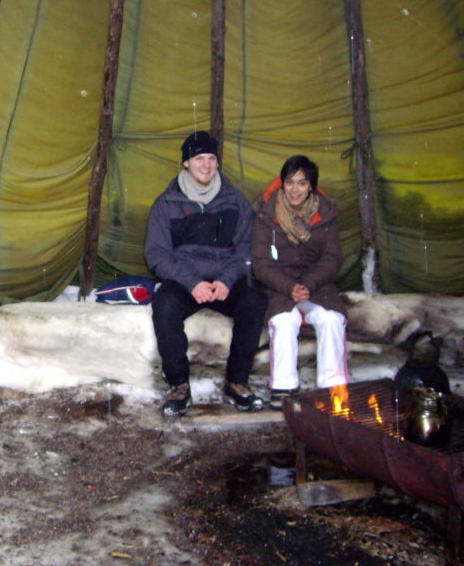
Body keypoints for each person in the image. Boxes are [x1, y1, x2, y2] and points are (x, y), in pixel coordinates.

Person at [145, 131, 268, 418]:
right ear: (186, 163)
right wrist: (192, 283)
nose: (207, 165)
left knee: (254, 301)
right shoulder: (167, 203)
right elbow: (157, 254)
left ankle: (237, 382)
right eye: (199, 158)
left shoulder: (234, 200)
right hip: (187, 282)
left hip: (225, 281)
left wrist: (227, 279)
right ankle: (178, 385)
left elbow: (246, 248)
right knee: (164, 306)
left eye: (212, 158)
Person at [250, 155, 349, 410]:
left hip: (316, 286)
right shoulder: (266, 214)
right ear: (282, 183)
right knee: (285, 321)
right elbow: (260, 263)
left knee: (331, 319)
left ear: (311, 186)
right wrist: (289, 287)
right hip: (279, 286)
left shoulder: (325, 215)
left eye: (302, 183)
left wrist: (308, 284)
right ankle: (283, 386)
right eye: (290, 182)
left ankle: (333, 387)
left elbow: (332, 257)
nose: (295, 190)